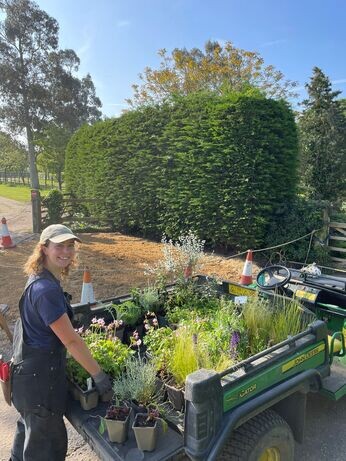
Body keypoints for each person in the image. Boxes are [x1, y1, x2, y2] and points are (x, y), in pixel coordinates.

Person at [10, 224, 112, 461]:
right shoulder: (45, 290)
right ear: (44, 248)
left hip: (28, 382)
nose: (66, 252)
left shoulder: (40, 278)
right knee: (46, 451)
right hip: (40, 387)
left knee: (29, 436)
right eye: (59, 246)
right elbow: (72, 342)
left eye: (70, 246)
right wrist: (99, 376)